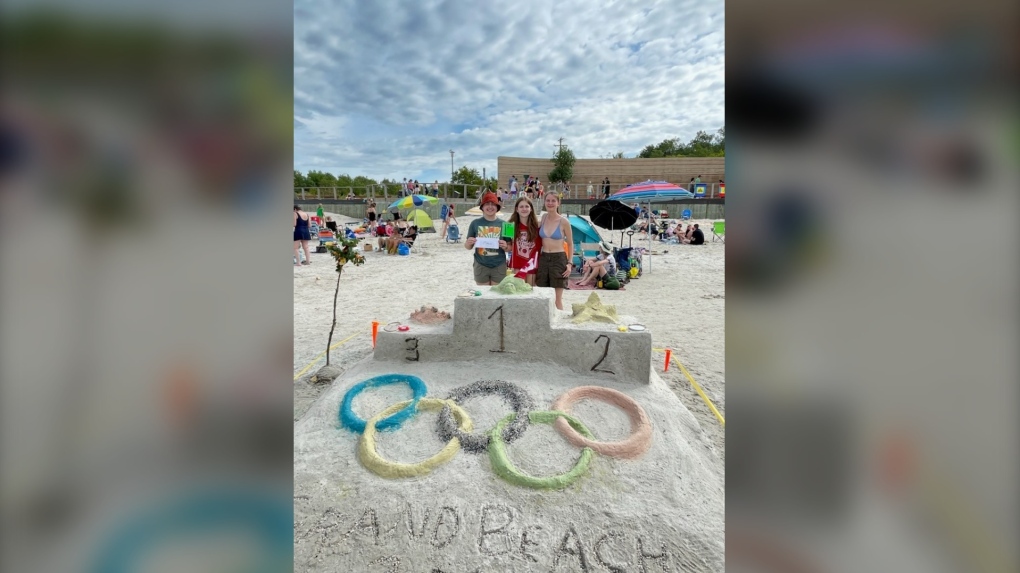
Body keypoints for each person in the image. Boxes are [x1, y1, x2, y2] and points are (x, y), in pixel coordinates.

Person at [536, 192, 573, 310]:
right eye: (548, 200)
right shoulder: (543, 218)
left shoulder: (564, 222)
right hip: (544, 258)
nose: (550, 203)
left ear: (558, 203)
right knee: (543, 297)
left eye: (553, 201)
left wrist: (569, 263)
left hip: (559, 259)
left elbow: (571, 244)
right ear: (544, 202)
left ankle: (560, 326)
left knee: (557, 300)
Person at [465, 192, 508, 285]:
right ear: (482, 207)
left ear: (497, 207)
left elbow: (511, 248)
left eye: (493, 204)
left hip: (499, 265)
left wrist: (506, 246)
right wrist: (468, 243)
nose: (490, 207)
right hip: (480, 265)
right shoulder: (474, 223)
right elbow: (468, 247)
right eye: (487, 204)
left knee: (497, 295)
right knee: (482, 296)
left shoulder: (506, 224)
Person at [507, 197, 542, 286]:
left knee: (531, 292)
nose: (524, 209)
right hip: (516, 265)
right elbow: (507, 247)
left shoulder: (538, 226)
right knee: (517, 293)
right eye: (521, 206)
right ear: (516, 209)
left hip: (532, 266)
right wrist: (504, 246)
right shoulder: (509, 225)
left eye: (527, 206)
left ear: (531, 209)